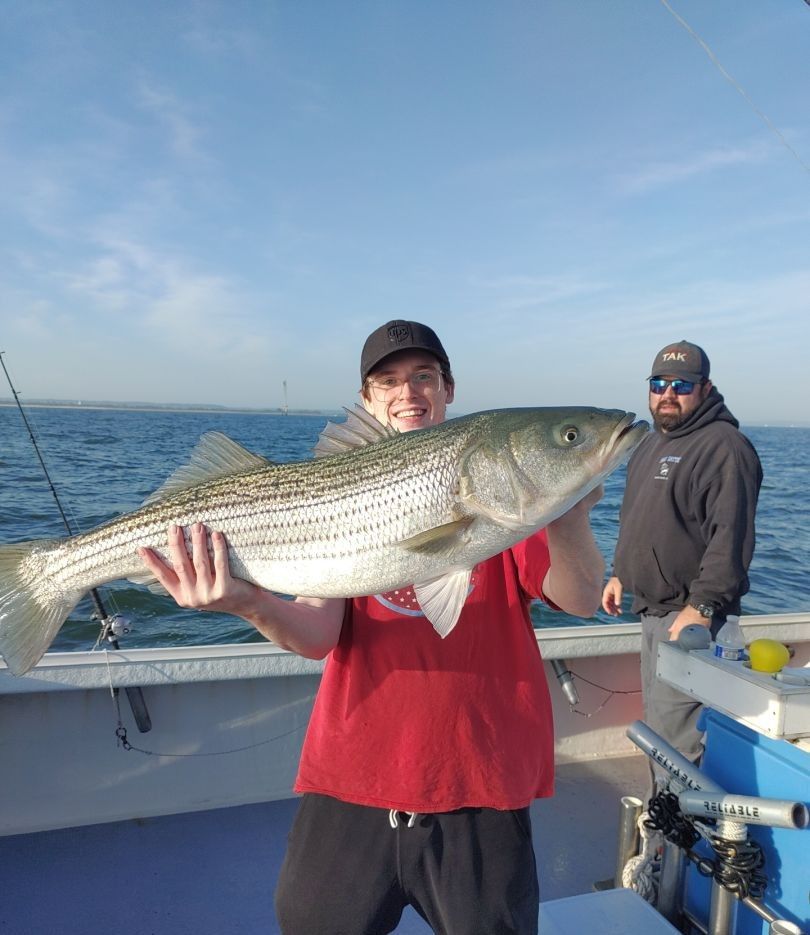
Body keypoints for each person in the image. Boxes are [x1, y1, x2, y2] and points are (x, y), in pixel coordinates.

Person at [139, 319, 606, 935]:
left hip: (482, 781)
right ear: (368, 400)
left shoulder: (510, 509)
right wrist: (246, 603)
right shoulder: (348, 483)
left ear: (448, 389)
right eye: (386, 381)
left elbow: (578, 600)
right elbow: (316, 634)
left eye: (423, 376)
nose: (407, 391)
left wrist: (568, 516)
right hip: (352, 778)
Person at [602, 340, 762, 767]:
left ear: (705, 389)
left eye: (681, 384)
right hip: (652, 610)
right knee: (658, 729)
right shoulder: (651, 443)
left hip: (690, 619)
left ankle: (682, 834)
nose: (667, 394)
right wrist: (621, 574)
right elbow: (637, 515)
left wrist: (702, 607)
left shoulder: (725, 447)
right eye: (658, 383)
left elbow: (731, 538)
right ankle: (663, 827)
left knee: (680, 744)